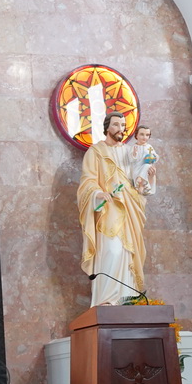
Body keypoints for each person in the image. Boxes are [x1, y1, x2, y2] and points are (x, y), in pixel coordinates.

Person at [76, 111, 155, 307]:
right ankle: (106, 300)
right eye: (116, 125)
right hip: (109, 209)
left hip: (130, 208)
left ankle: (127, 300)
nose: (121, 129)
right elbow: (88, 181)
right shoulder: (96, 152)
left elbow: (139, 180)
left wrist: (149, 177)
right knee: (112, 251)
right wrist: (97, 193)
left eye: (123, 125)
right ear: (107, 127)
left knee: (129, 253)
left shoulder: (131, 152)